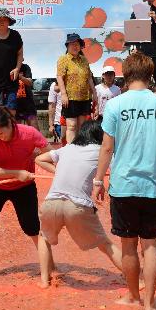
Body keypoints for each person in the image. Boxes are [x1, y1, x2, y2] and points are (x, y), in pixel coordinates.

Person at [95, 52, 156, 310]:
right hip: (153, 185)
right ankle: (150, 303)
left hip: (123, 184)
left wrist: (98, 180)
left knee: (128, 245)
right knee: (151, 245)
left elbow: (107, 148)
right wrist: (153, 155)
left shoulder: (114, 106)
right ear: (150, 74)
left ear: (126, 75)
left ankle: (133, 296)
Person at [35, 119, 123, 288]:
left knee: (43, 238)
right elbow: (123, 168)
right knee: (106, 245)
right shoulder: (101, 151)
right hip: (77, 205)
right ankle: (138, 279)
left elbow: (40, 159)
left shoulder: (67, 148)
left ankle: (44, 281)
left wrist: (58, 171)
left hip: (51, 203)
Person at [0, 106, 48, 279]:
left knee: (33, 228)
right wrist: (16, 173)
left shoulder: (30, 133)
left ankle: (50, 266)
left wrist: (58, 172)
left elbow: (50, 154)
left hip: (24, 186)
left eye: (1, 133)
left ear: (10, 124)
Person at [56, 33, 96, 144]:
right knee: (71, 125)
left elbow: (89, 78)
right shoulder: (63, 59)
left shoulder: (84, 60)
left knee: (81, 126)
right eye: (72, 44)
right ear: (67, 46)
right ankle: (70, 150)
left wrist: (94, 93)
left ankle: (79, 147)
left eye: (77, 44)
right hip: (70, 98)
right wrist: (63, 94)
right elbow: (59, 77)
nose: (75, 46)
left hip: (84, 98)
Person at [14, 61, 37, 127]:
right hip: (15, 104)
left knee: (34, 127)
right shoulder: (7, 68)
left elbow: (30, 82)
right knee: (17, 129)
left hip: (28, 104)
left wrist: (21, 77)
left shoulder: (25, 67)